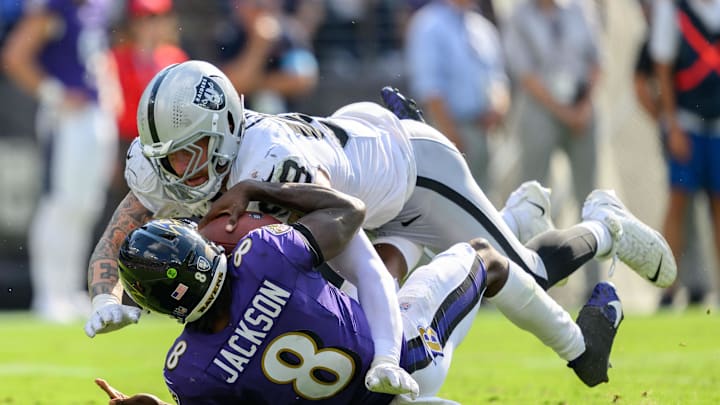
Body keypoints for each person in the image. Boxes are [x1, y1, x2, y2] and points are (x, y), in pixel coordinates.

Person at [84, 60, 675, 389]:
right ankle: (509, 221)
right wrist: (104, 297)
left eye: (189, 154)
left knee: (528, 276)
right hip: (358, 182)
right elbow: (117, 234)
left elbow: (355, 250)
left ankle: (603, 224)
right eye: (168, 159)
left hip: (412, 174)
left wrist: (389, 356)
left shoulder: (270, 160)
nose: (177, 173)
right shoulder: (171, 165)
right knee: (344, 311)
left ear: (222, 132)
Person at [94, 179, 624, 404]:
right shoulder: (263, 257)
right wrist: (257, 190)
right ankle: (583, 351)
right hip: (406, 357)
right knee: (486, 257)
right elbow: (348, 211)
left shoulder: (184, 368)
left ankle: (534, 226)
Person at [2, 0, 118, 322]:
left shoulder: (95, 8)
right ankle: (49, 294)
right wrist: (55, 94)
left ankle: (69, 290)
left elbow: (97, 60)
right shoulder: (53, 7)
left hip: (95, 114)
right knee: (60, 203)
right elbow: (15, 55)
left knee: (85, 207)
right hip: (67, 119)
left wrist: (110, 96)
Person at [502, 0, 604, 298]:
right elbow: (524, 73)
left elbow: (597, 60)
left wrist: (583, 106)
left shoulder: (579, 8)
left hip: (582, 106)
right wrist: (562, 110)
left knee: (591, 196)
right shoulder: (519, 16)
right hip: (540, 108)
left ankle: (595, 284)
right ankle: (528, 280)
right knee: (531, 197)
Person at [633, 0, 712, 308]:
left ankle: (703, 283)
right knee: (679, 202)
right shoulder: (668, 19)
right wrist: (667, 123)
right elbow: (645, 81)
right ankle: (668, 283)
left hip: (713, 125)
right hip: (684, 126)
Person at [404, 0, 510, 192]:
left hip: (486, 131)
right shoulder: (428, 24)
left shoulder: (481, 26)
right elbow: (430, 89)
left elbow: (498, 76)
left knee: (489, 202)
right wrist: (451, 137)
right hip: (450, 132)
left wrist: (500, 106)